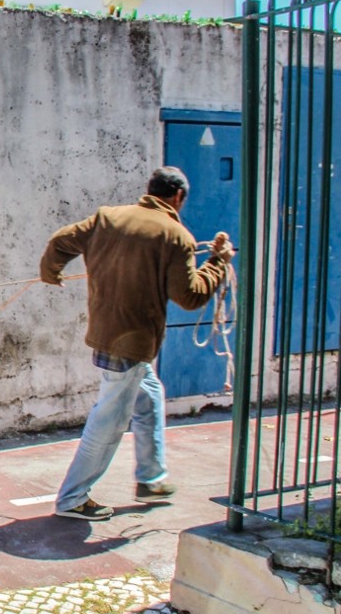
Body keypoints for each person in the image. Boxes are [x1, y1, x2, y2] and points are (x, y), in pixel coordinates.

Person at [40, 166, 234, 521]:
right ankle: (72, 498)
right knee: (108, 423)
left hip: (107, 333)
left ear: (150, 190)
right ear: (178, 197)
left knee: (150, 396)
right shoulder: (176, 236)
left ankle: (151, 478)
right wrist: (218, 263)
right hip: (131, 343)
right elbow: (190, 296)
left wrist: (50, 271)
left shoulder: (108, 218)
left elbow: (61, 241)